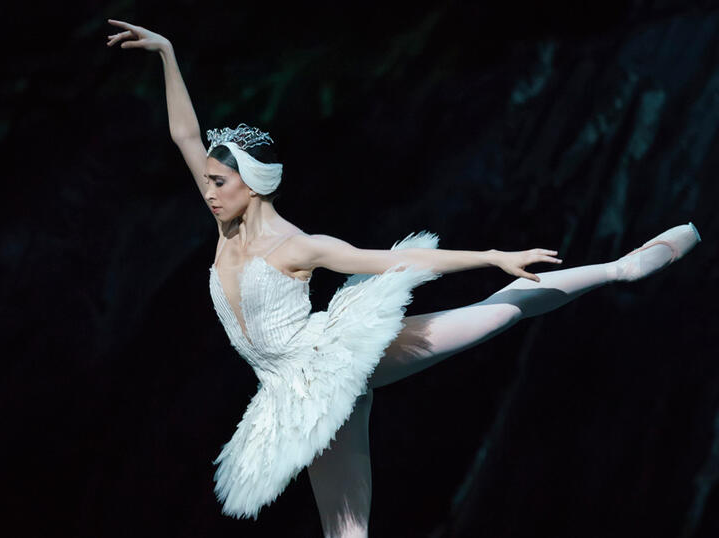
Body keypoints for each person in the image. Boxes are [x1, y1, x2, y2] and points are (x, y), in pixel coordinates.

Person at [106, 20, 703, 538]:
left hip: (337, 357)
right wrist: (166, 52)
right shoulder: (222, 227)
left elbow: (396, 261)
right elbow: (185, 135)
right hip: (291, 398)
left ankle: (624, 267)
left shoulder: (296, 244)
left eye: (221, 183)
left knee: (500, 312)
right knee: (346, 529)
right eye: (208, 181)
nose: (209, 193)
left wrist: (490, 254)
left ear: (255, 184)